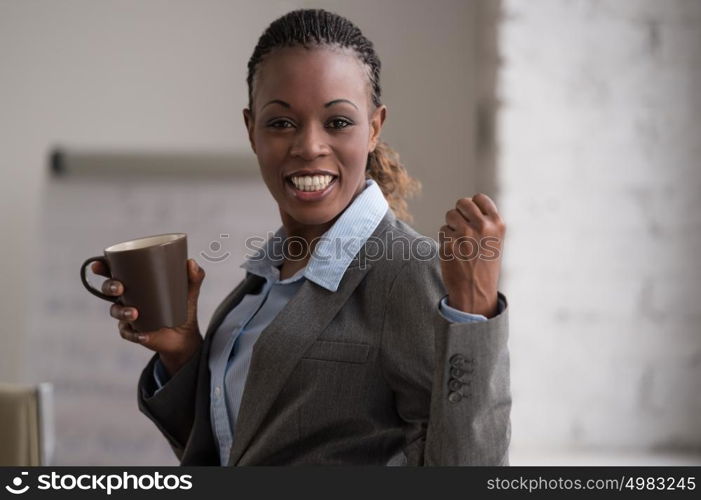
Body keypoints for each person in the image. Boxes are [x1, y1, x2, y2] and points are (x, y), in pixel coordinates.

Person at [90, 8, 510, 466]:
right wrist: (183, 354)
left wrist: (474, 316)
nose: (309, 146)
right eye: (281, 123)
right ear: (252, 130)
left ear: (373, 128)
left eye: (338, 122)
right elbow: (237, 448)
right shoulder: (259, 285)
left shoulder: (408, 272)